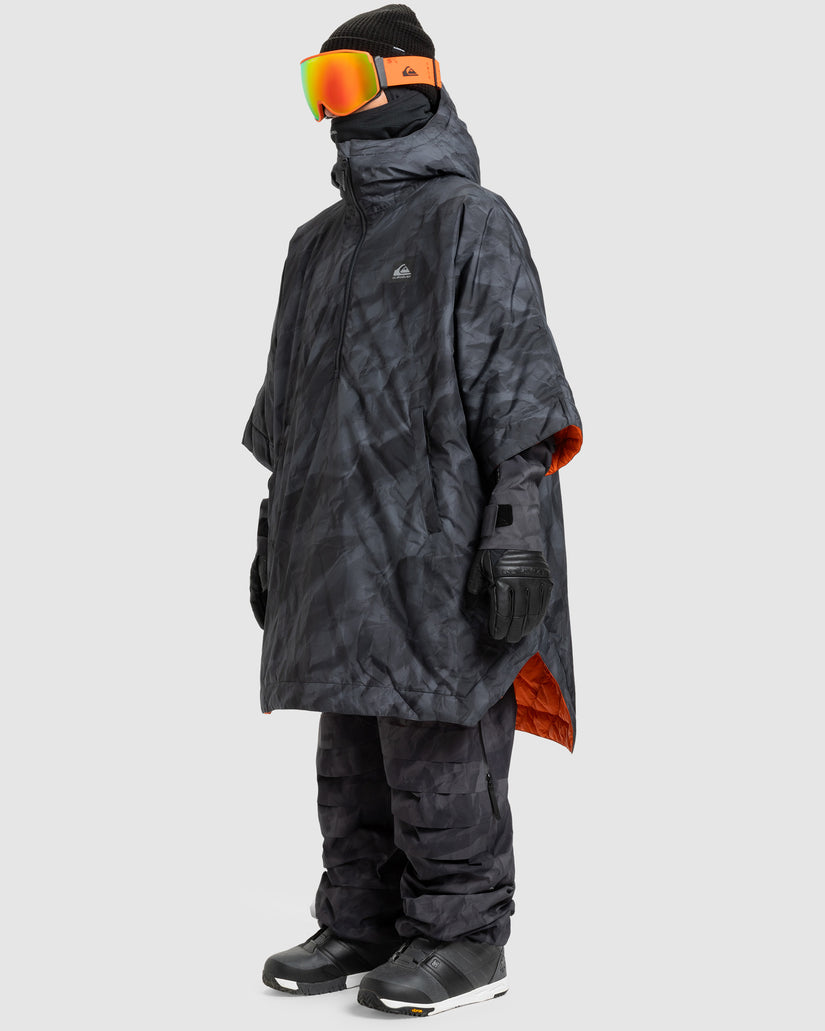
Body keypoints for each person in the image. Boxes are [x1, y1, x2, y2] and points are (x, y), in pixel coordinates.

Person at [242, 4, 583, 1017]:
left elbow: (519, 389)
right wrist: (271, 529)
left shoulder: (469, 220)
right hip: (334, 544)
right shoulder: (313, 246)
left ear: (409, 81)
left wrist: (515, 527)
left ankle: (463, 935)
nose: (329, 110)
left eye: (342, 83)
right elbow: (285, 410)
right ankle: (361, 918)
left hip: (436, 542)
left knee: (435, 737)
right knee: (350, 744)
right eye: (317, 90)